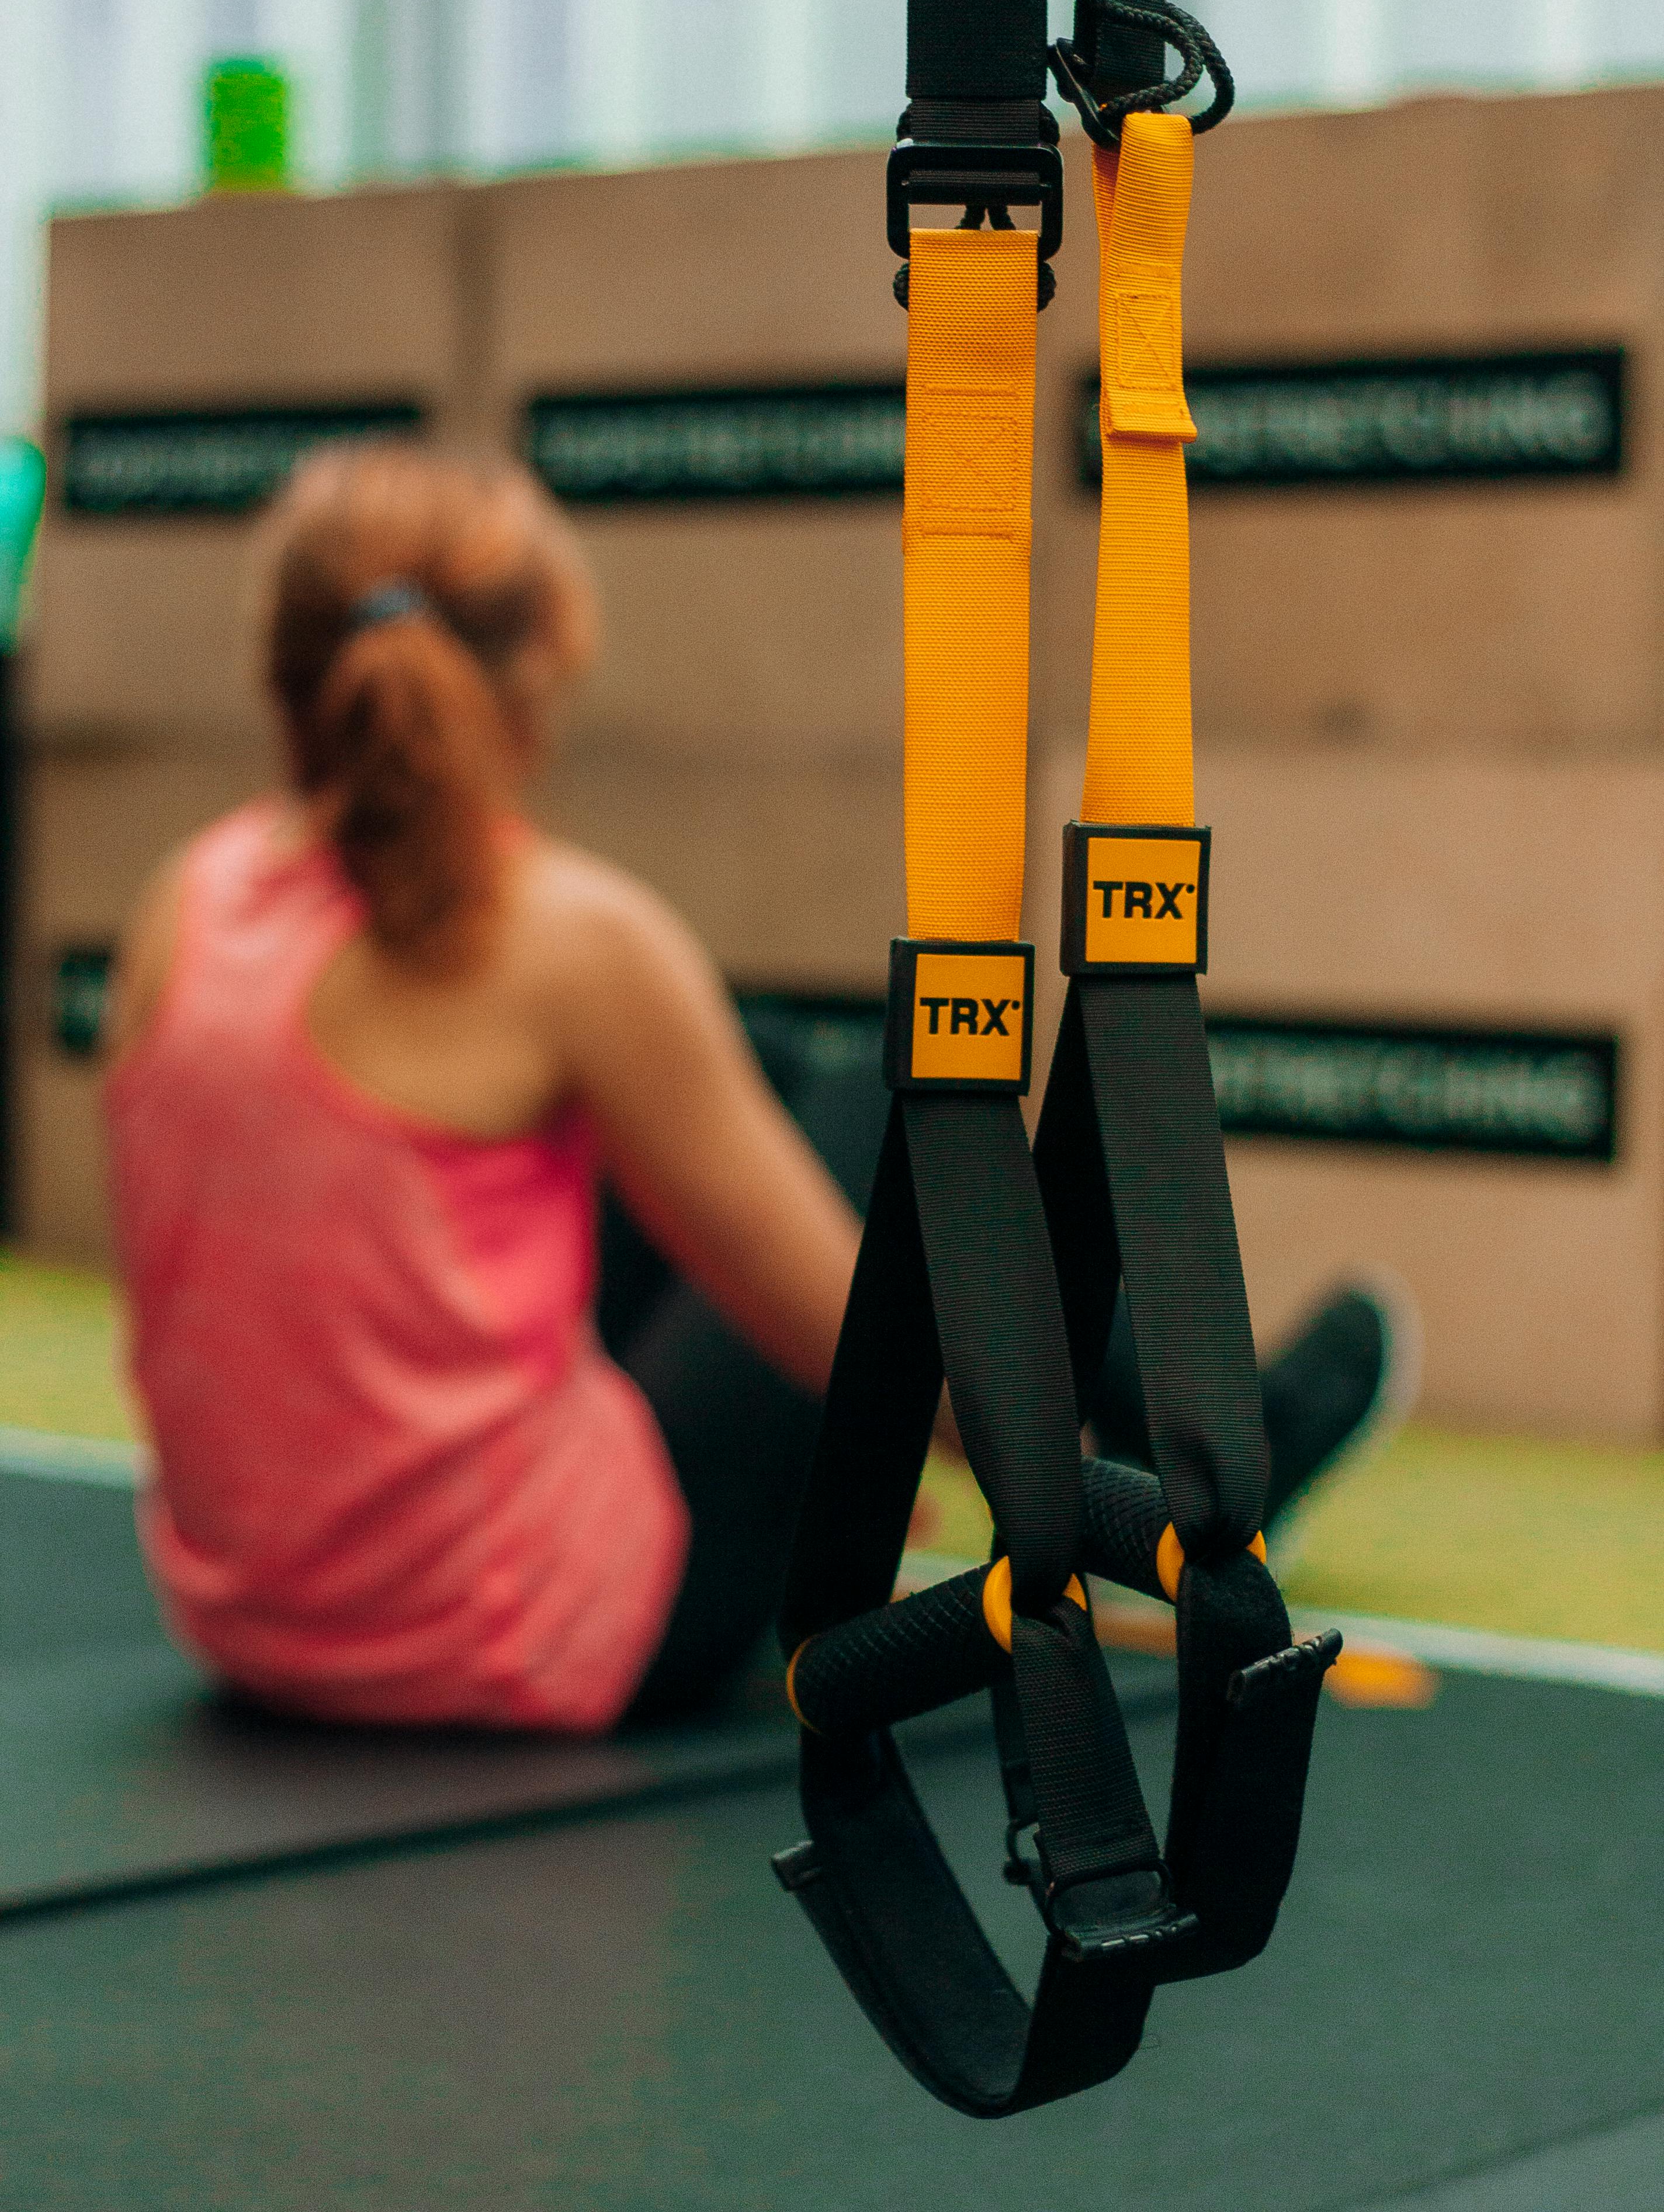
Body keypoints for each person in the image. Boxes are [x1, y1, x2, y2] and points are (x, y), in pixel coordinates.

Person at [103, 442, 1412, 1737]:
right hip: (525, 1634)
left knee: (757, 1063)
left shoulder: (185, 903)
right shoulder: (568, 941)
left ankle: (1172, 1429)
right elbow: (864, 1352)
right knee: (894, 1104)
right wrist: (994, 1475)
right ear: (539, 670)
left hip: (253, 1626)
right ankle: (1208, 1466)